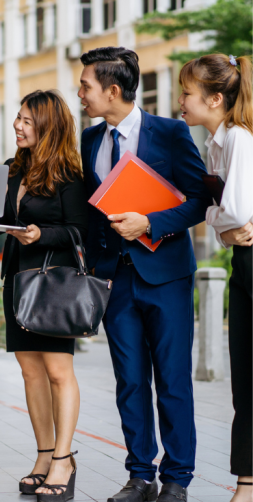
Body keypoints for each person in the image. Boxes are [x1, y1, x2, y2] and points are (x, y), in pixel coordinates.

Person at [77, 47, 211, 502]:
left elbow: (196, 200)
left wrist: (150, 223)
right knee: (130, 380)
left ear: (113, 90)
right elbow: (92, 213)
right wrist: (95, 271)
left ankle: (177, 478)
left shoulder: (171, 133)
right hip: (116, 281)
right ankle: (139, 475)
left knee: (172, 380)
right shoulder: (90, 139)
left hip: (167, 276)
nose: (80, 94)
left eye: (86, 86)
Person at [0, 90, 87, 501]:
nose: (18, 125)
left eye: (27, 121)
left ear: (48, 126)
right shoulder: (14, 170)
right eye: (18, 118)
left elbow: (81, 231)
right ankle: (45, 456)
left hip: (53, 286)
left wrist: (40, 234)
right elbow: (1, 218)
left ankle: (64, 459)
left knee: (58, 373)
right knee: (31, 374)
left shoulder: (68, 175)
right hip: (17, 279)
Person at [177, 53, 253, 502]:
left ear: (216, 98)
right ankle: (246, 481)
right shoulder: (216, 144)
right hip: (242, 261)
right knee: (242, 380)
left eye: (187, 93)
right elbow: (230, 226)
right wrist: (221, 218)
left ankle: (246, 485)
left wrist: (215, 215)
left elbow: (238, 213)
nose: (181, 102)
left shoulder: (239, 139)